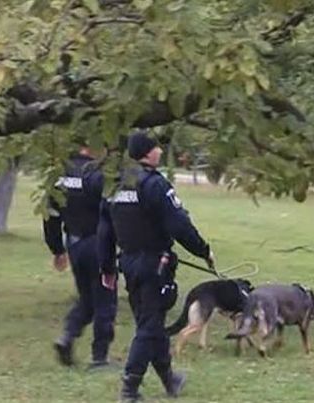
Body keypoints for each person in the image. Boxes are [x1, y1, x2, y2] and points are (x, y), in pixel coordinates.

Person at [97, 130, 215, 401]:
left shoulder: (117, 185)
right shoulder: (155, 184)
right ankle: (129, 388)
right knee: (149, 326)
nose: (161, 151)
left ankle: (170, 380)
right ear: (148, 152)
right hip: (154, 264)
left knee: (151, 322)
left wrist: (107, 267)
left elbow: (105, 230)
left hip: (128, 262)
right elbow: (180, 225)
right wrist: (203, 251)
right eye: (157, 147)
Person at [43, 139, 118, 370]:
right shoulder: (98, 176)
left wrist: (57, 249)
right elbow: (113, 214)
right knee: (105, 300)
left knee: (87, 298)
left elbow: (51, 215)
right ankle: (99, 357)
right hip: (98, 244)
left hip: (74, 243)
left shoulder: (59, 176)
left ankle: (67, 336)